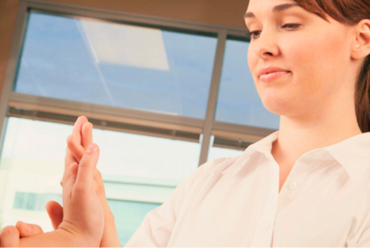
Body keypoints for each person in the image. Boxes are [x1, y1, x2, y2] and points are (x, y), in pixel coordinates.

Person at [1, 0, 370, 246]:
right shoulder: (207, 184)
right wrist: (85, 236)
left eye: (289, 24)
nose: (262, 47)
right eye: (255, 31)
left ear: (361, 37)